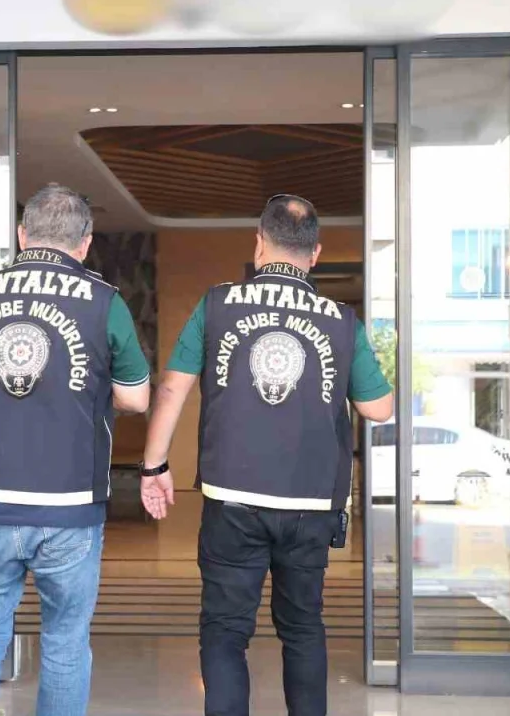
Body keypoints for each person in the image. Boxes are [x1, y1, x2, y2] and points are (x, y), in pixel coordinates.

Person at [139, 195, 393, 716]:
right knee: (303, 627)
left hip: (232, 499)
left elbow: (172, 388)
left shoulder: (218, 304)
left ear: (259, 244)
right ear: (315, 254)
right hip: (310, 503)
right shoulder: (342, 320)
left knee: (225, 630)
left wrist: (154, 466)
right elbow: (379, 408)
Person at [0, 184, 151, 716]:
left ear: (21, 235)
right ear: (85, 243)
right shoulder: (105, 301)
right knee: (65, 641)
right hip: (67, 501)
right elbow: (136, 397)